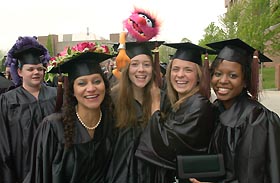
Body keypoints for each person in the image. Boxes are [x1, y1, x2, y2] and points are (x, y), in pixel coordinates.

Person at [23, 41, 116, 183]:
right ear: (72, 90)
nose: (91, 88)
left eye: (97, 81)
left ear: (105, 85)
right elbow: (41, 176)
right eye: (82, 83)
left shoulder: (112, 124)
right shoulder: (53, 127)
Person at [190, 38, 280, 183]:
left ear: (245, 81)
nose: (223, 81)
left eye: (233, 75)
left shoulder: (256, 118)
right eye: (218, 74)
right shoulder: (215, 110)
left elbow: (252, 178)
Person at [135, 42, 217, 183]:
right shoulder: (181, 103)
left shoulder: (199, 105)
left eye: (188, 70)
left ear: (198, 75)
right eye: (176, 69)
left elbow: (166, 146)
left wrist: (155, 105)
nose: (180, 75)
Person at [106, 41, 167, 183]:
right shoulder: (112, 100)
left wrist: (155, 106)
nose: (141, 69)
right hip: (120, 175)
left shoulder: (164, 99)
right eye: (134, 64)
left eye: (146, 64)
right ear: (126, 68)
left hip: (155, 176)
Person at [0, 36, 56, 183]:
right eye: (30, 69)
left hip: (53, 166)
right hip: (21, 170)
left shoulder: (56, 95)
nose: (36, 72)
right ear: (19, 72)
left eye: (39, 69)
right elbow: (3, 142)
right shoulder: (7, 101)